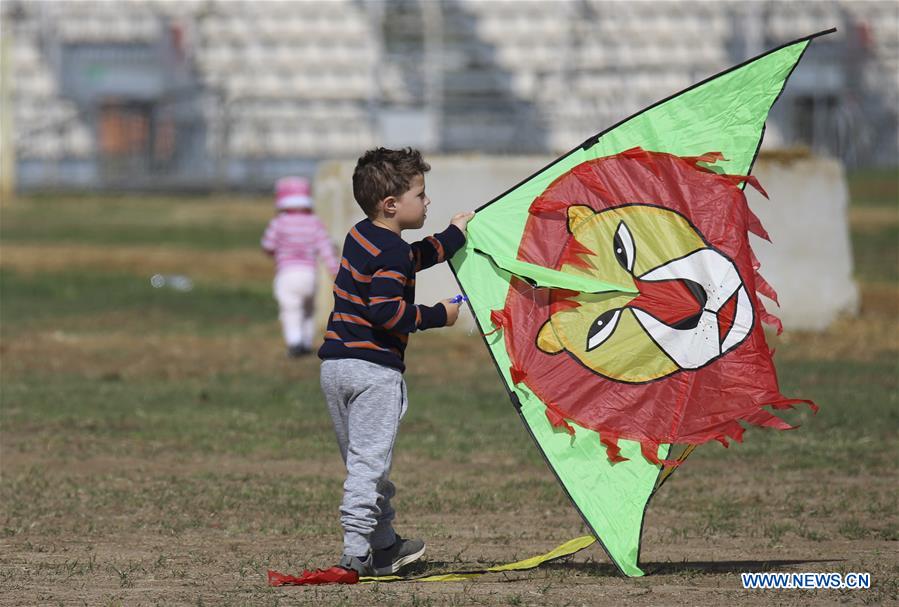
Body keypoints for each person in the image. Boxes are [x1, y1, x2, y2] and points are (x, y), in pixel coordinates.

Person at [318, 148, 474, 576]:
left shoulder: (364, 236)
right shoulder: (392, 253)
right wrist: (439, 315)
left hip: (335, 367)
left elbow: (413, 258)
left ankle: (384, 546)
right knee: (368, 468)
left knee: (365, 464)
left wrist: (454, 234)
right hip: (374, 373)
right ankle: (355, 553)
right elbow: (386, 312)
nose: (427, 202)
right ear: (392, 204)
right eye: (421, 195)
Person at [262, 176, 340, 358]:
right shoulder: (314, 222)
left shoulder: (279, 222)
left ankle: (294, 342)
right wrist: (334, 270)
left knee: (290, 308)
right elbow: (325, 247)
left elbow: (268, 245)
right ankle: (306, 340)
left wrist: (276, 251)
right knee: (308, 308)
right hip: (309, 274)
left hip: (287, 273)